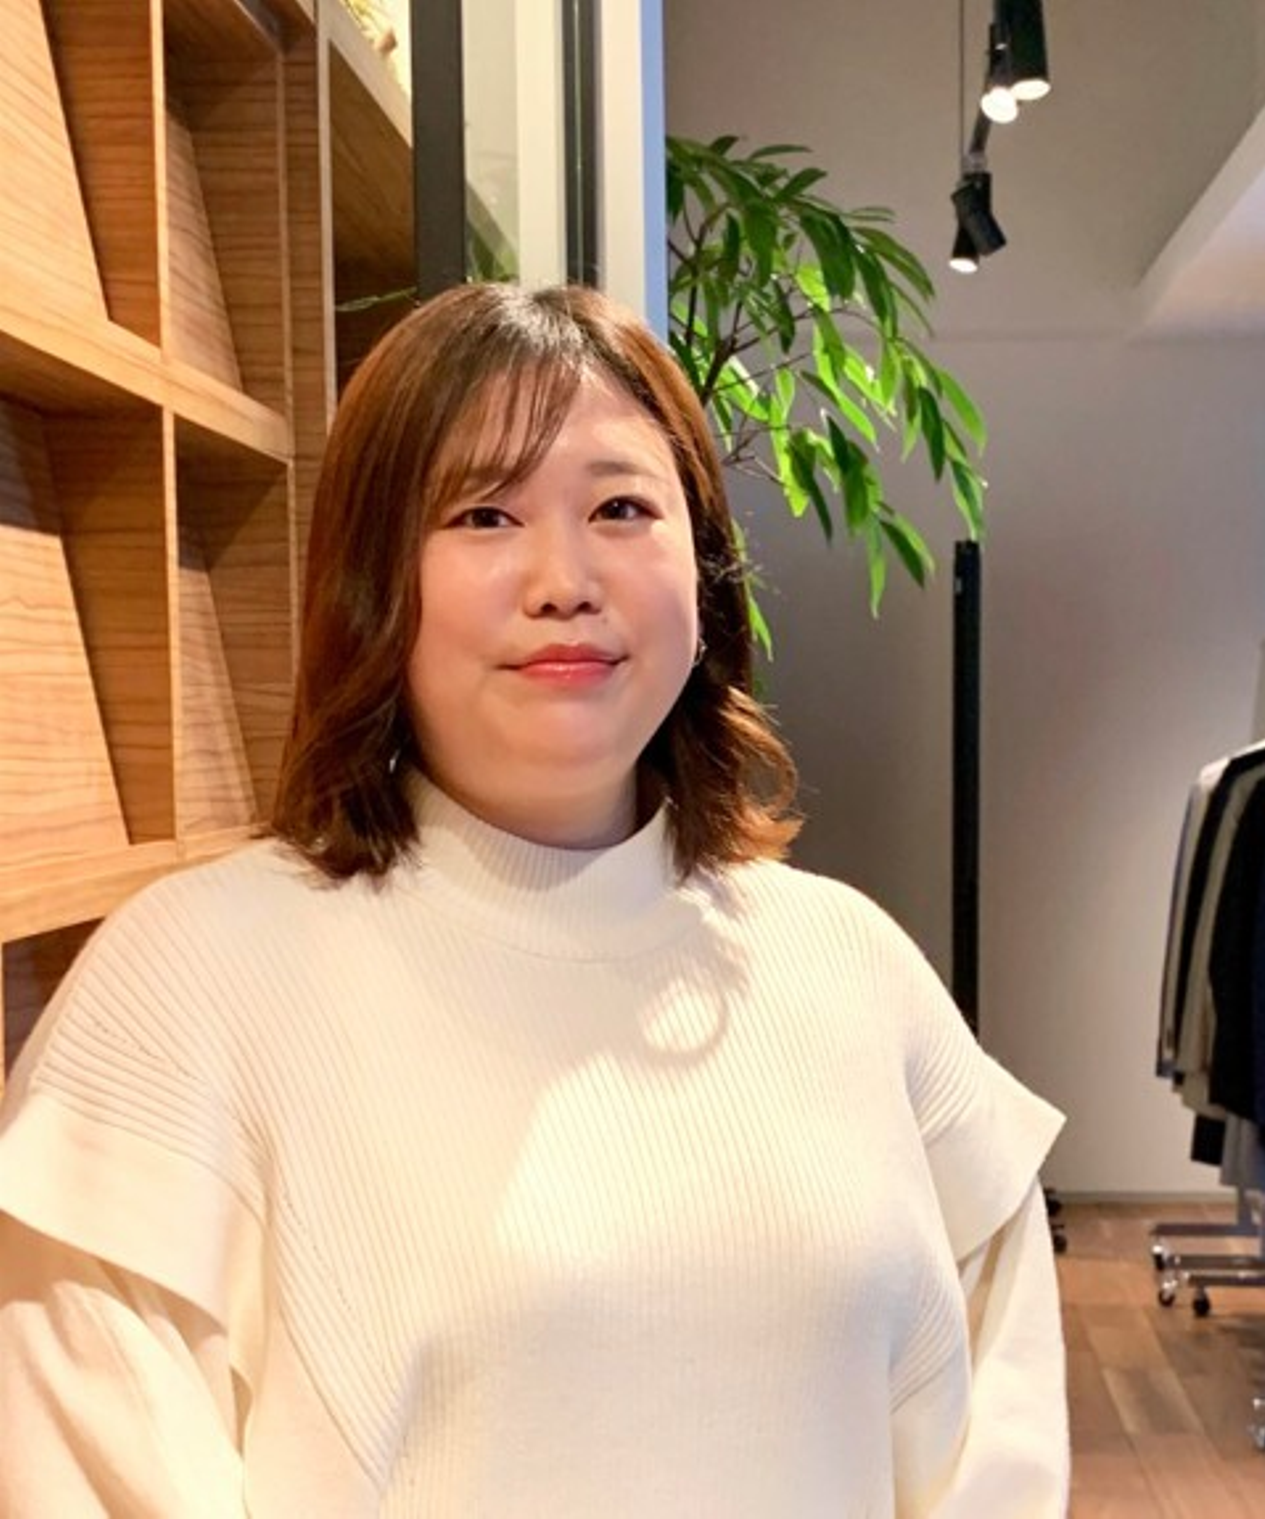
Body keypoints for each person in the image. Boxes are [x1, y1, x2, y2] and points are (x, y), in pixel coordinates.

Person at [0, 282, 1067, 1516]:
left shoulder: (852, 966)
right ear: (369, 579)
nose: (564, 579)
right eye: (484, 513)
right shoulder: (186, 983)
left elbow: (993, 1444)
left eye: (621, 507)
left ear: (704, 575)